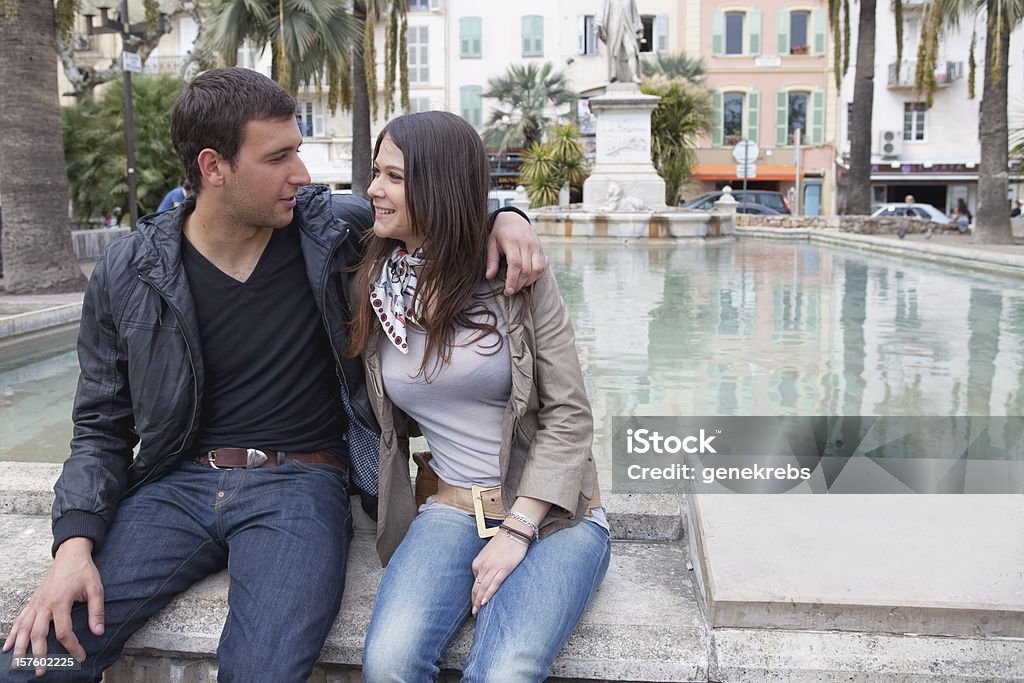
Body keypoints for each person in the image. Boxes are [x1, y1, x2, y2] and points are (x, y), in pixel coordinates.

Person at [0, 68, 542, 682]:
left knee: (261, 672)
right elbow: (100, 425)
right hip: (174, 489)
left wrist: (508, 217)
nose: (302, 175)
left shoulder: (331, 231)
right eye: (279, 157)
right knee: (35, 659)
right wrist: (73, 546)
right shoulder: (130, 271)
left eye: (299, 152)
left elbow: (435, 209)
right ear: (214, 166)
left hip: (301, 488)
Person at [351, 111, 611, 682]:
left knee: (504, 672)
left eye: (392, 177)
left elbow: (570, 417)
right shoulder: (377, 280)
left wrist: (517, 530)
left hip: (553, 514)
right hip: (452, 505)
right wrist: (509, 212)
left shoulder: (516, 280)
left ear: (437, 186)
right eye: (375, 173)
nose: (373, 189)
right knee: (389, 663)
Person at [595, 0, 643, 84]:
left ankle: (634, 75)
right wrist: (599, 23)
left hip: (627, 28)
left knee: (632, 51)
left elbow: (635, 14)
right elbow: (601, 10)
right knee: (614, 53)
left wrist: (639, 27)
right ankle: (614, 76)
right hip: (614, 28)